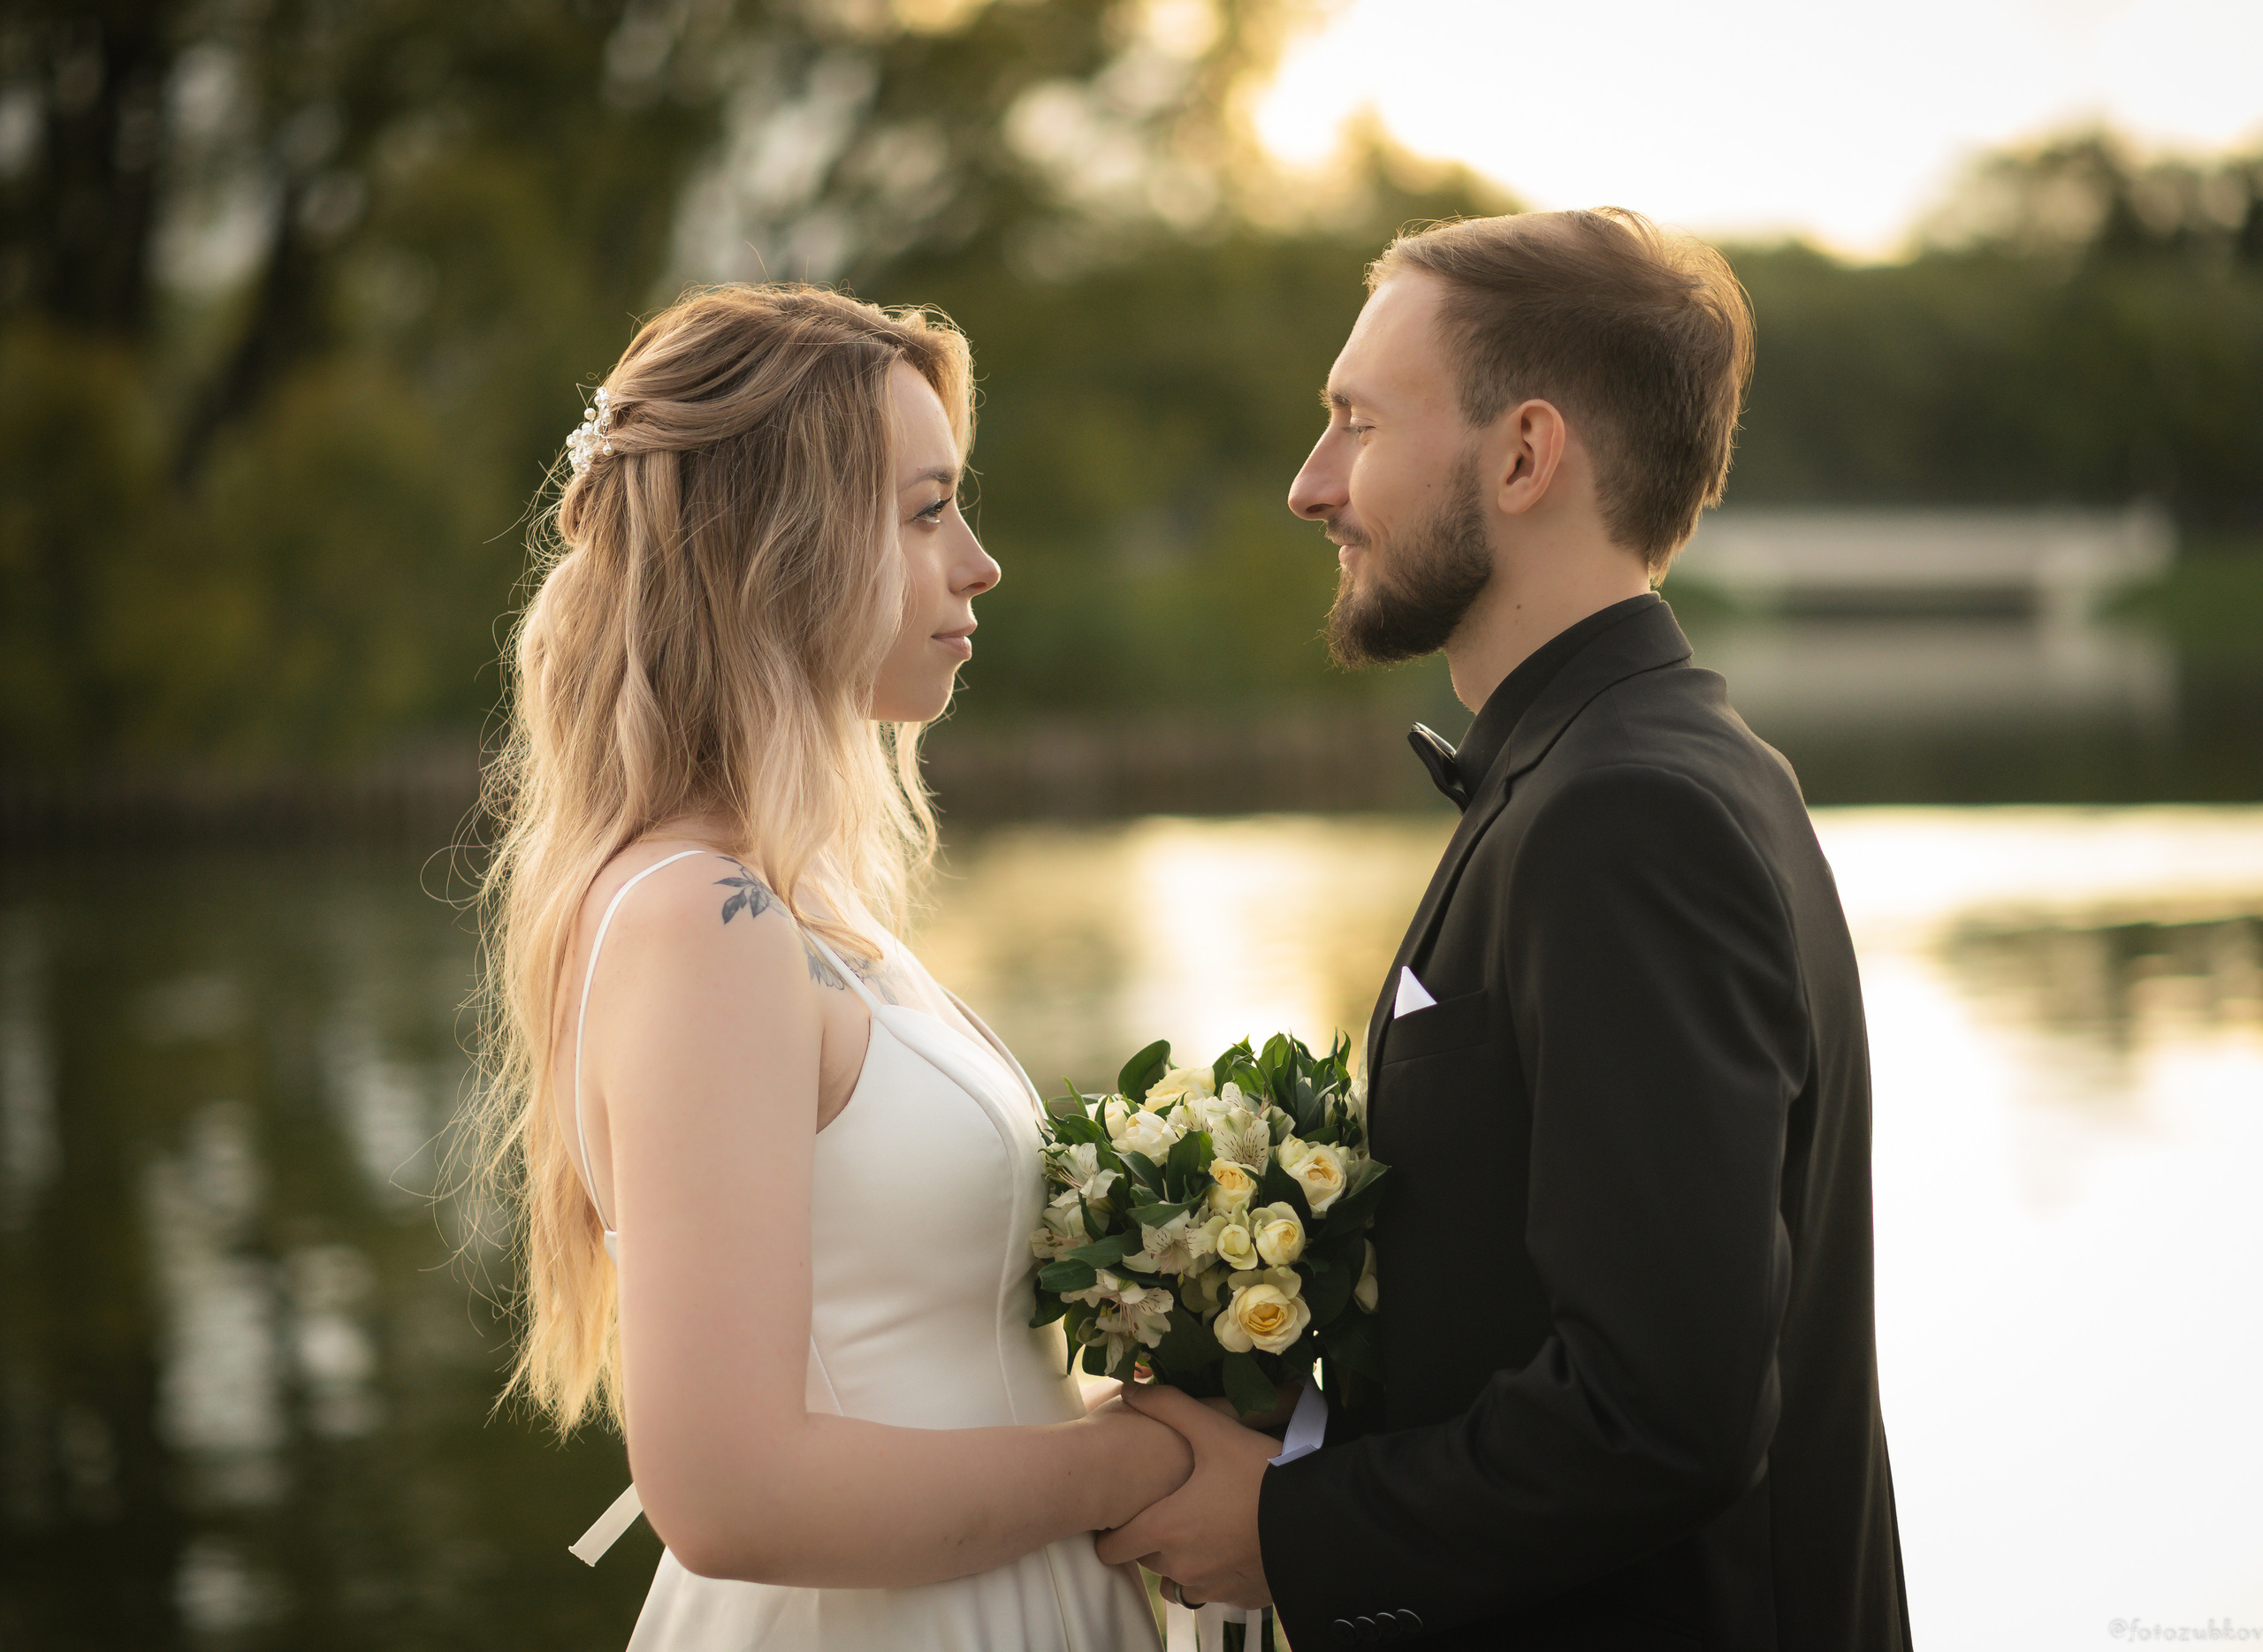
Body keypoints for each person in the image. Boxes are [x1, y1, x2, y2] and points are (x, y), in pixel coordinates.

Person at [1100, 210, 1913, 1649]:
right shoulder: (1646, 768)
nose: (1310, 484)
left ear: (1525, 456)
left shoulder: (1627, 816)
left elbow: (1663, 1411)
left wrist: (1293, 1532)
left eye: (1356, 421)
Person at [465, 285, 1184, 1651]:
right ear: (778, 550)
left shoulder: (799, 903)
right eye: (926, 511)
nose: (978, 562)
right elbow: (729, 1491)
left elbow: (923, 1366)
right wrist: (1125, 1469)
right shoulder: (702, 920)